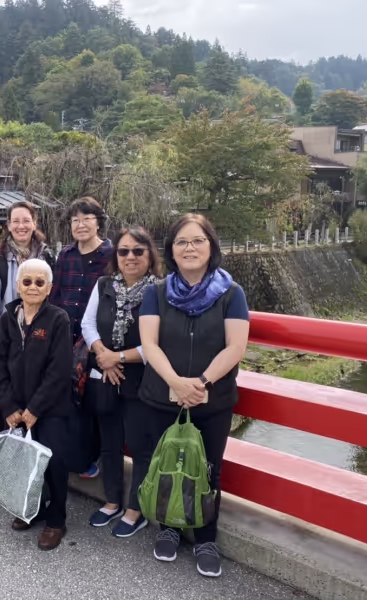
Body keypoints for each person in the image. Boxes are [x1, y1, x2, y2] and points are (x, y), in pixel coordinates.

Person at [138, 213, 249, 578]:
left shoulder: (232, 294)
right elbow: (149, 344)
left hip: (211, 400)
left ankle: (205, 537)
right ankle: (169, 527)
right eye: (182, 242)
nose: (190, 248)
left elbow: (235, 347)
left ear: (211, 246)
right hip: (161, 396)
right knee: (166, 467)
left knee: (208, 470)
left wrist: (198, 383)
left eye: (198, 240)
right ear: (171, 249)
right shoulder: (156, 292)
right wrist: (174, 382)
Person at [81, 226, 162, 537]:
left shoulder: (159, 292)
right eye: (124, 251)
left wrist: (120, 357)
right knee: (109, 444)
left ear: (149, 255)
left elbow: (159, 340)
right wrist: (103, 354)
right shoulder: (104, 285)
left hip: (141, 378)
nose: (130, 257)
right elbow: (88, 324)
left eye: (138, 251)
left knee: (140, 446)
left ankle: (135, 509)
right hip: (105, 374)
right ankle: (112, 500)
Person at [0, 258, 74, 551]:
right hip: (14, 407)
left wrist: (35, 409)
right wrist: (9, 405)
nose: (33, 287)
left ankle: (56, 520)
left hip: (50, 409)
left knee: (53, 464)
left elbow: (60, 370)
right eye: (27, 281)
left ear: (49, 287)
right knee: (22, 462)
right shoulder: (8, 318)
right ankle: (30, 509)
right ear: (18, 285)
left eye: (40, 282)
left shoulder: (58, 319)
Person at [50, 196, 113, 479]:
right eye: (75, 219)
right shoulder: (66, 255)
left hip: (99, 340)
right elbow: (56, 295)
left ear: (98, 221)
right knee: (71, 397)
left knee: (96, 400)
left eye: (87, 218)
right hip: (67, 338)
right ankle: (75, 453)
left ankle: (93, 455)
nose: (80, 224)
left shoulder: (111, 255)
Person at [0, 201, 56, 354]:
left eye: (26, 221)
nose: (21, 226)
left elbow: (54, 300)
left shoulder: (47, 258)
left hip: (42, 339)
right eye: (15, 221)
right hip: (8, 341)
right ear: (9, 225)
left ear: (34, 224)